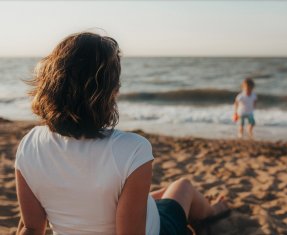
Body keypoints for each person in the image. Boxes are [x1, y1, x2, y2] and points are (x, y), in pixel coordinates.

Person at [15, 32, 229, 235]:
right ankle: (215, 212)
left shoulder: (29, 144)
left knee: (158, 195)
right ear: (111, 92)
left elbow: (32, 228)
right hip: (158, 229)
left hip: (104, 211)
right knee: (183, 187)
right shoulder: (133, 149)